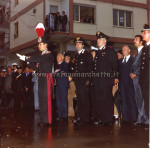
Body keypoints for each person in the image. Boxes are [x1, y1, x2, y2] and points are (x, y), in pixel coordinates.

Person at [16, 37, 54, 127]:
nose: (38, 46)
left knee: (46, 100)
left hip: (46, 79)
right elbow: (37, 66)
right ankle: (43, 120)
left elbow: (38, 59)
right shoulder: (43, 56)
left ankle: (48, 121)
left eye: (40, 44)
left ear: (45, 45)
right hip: (41, 79)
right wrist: (27, 62)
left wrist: (26, 58)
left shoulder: (48, 55)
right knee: (42, 100)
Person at [92, 31, 118, 125]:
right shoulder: (98, 52)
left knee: (106, 99)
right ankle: (101, 118)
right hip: (98, 80)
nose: (98, 41)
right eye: (98, 39)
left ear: (104, 41)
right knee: (99, 99)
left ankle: (107, 119)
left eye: (99, 39)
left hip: (106, 80)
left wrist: (115, 76)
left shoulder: (109, 51)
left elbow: (114, 65)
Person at [72, 37, 93, 126]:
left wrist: (88, 79)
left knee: (85, 100)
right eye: (76, 44)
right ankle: (80, 117)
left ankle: (85, 119)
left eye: (79, 43)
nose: (77, 45)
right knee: (80, 100)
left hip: (84, 81)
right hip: (78, 81)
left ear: (83, 45)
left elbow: (90, 68)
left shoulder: (87, 54)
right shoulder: (77, 55)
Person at [131, 35, 149, 125]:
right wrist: (131, 73)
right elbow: (134, 66)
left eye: (136, 39)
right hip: (135, 79)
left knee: (144, 99)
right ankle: (141, 117)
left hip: (141, 78)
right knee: (138, 98)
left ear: (141, 42)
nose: (134, 40)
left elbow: (144, 66)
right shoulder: (136, 52)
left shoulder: (144, 51)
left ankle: (145, 118)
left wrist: (137, 74)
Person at [118, 45, 137, 123]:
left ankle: (133, 118)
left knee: (131, 100)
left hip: (130, 84)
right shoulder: (120, 61)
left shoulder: (133, 60)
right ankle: (125, 118)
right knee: (124, 101)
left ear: (129, 50)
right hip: (122, 84)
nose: (123, 51)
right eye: (122, 50)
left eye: (125, 49)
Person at [139, 24, 150, 126]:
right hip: (145, 81)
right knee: (147, 102)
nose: (142, 34)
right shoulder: (145, 48)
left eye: (144, 32)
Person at [55, 53, 69, 120]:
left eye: (59, 57)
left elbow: (63, 72)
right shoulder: (55, 66)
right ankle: (60, 115)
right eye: (57, 57)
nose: (57, 58)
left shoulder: (65, 64)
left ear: (62, 58)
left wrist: (57, 72)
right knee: (58, 100)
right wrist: (57, 72)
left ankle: (65, 115)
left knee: (63, 100)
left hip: (63, 84)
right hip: (57, 84)